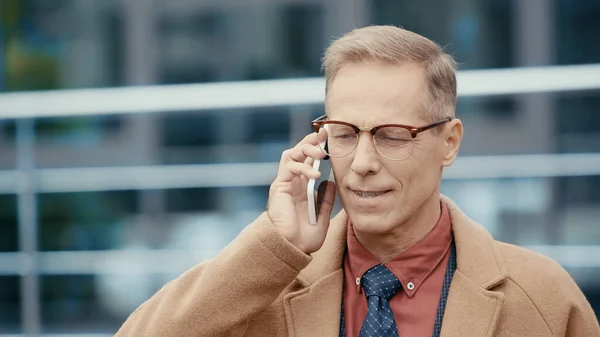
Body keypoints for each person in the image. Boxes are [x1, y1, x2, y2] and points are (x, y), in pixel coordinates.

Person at [115, 25, 600, 337]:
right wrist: (272, 245)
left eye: (392, 136)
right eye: (344, 134)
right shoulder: (262, 288)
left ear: (449, 142)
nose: (362, 162)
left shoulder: (540, 299)